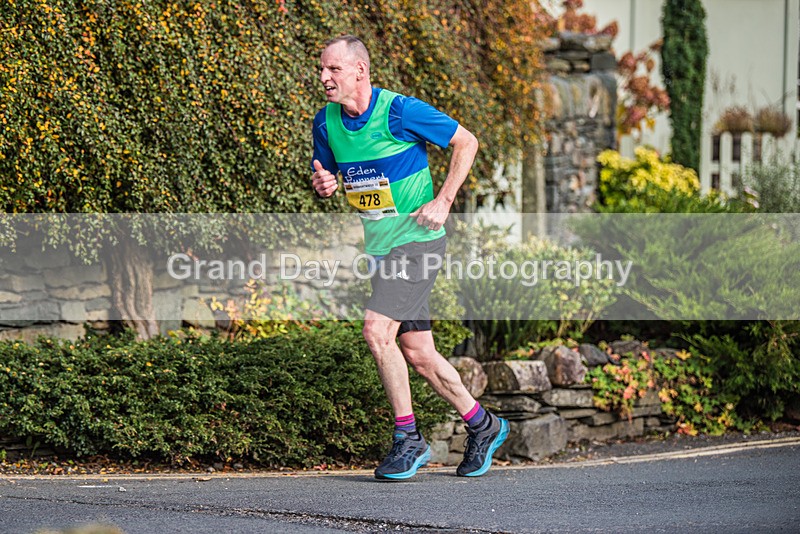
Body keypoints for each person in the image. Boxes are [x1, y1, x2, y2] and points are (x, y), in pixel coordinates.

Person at [310, 35, 508, 480]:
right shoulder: (326, 124)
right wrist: (324, 186)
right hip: (381, 248)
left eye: (333, 70)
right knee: (418, 352)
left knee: (377, 331)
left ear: (360, 70)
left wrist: (444, 200)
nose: (324, 78)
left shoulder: (400, 111)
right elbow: (327, 176)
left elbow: (467, 142)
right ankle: (484, 424)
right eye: (321, 70)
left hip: (418, 241)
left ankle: (408, 438)